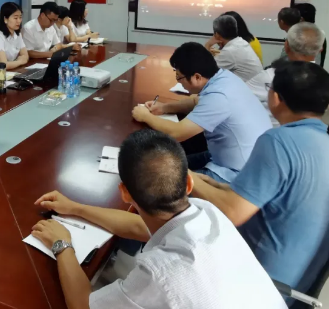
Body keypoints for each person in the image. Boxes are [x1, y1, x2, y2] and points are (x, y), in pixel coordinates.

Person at [31, 129, 286, 309]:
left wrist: (62, 245)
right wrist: (75, 208)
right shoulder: (207, 212)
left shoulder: (157, 273)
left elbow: (82, 306)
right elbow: (137, 226)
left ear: (124, 193)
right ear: (188, 183)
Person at [191, 61, 329, 297]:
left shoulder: (279, 140)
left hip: (257, 285)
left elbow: (233, 212)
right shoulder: (321, 141)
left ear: (275, 98)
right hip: (298, 290)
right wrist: (210, 183)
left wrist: (183, 177)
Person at [132, 42, 271, 183]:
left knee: (161, 182)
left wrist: (145, 116)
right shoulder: (224, 78)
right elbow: (195, 102)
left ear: (197, 77)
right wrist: (164, 107)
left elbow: (177, 133)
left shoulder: (219, 97)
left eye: (179, 77)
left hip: (237, 173)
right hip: (230, 157)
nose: (179, 82)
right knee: (165, 166)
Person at [247, 22, 324, 126]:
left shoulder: (270, 77)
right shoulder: (322, 81)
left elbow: (238, 99)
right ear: (320, 49)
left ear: (286, 46)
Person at [204, 15, 262, 82]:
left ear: (217, 35)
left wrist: (207, 45)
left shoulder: (229, 51)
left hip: (248, 88)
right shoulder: (240, 42)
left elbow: (205, 71)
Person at [0, 2, 29, 70]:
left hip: (12, 70)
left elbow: (25, 56)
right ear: (5, 19)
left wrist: (20, 61)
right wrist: (20, 61)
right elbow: (4, 65)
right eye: (15, 18)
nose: (19, 21)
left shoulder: (17, 34)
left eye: (20, 17)